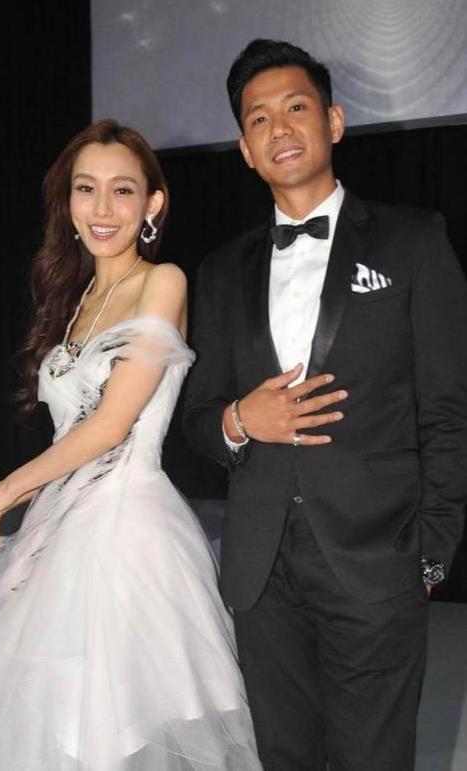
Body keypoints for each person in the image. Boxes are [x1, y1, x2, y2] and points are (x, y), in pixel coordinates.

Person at [0, 119, 262, 771]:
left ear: (152, 203)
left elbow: (113, 425)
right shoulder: (77, 296)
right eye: (86, 189)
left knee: (110, 729)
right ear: (68, 202)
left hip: (125, 534)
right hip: (58, 530)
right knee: (42, 724)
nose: (103, 208)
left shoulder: (163, 282)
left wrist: (3, 491)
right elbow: (72, 430)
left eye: (122, 190)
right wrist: (16, 500)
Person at [182, 39, 467, 771]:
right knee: (284, 757)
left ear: (333, 122)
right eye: (258, 119)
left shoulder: (413, 241)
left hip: (377, 558)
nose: (278, 128)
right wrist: (239, 421)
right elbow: (196, 415)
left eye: (295, 108)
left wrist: (430, 551)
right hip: (260, 568)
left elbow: (448, 408)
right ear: (245, 150)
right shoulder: (219, 271)